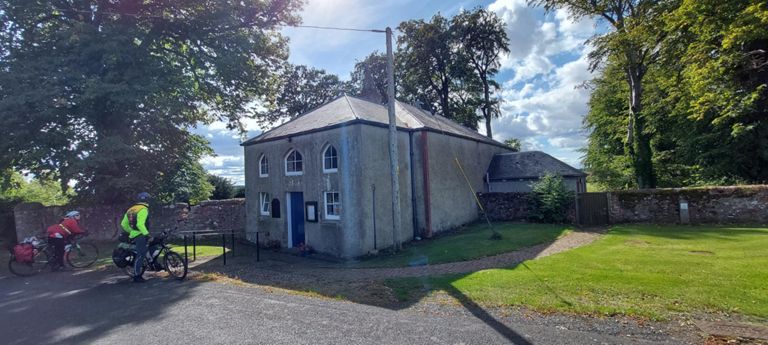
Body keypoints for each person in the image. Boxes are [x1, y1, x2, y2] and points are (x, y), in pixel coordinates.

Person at [120, 192, 151, 283]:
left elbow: (123, 224)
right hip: (140, 235)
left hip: (134, 234)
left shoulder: (131, 209)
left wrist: (131, 231)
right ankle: (137, 276)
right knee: (140, 255)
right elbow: (140, 224)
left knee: (146, 249)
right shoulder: (143, 209)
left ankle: (154, 265)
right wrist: (146, 234)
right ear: (148, 200)